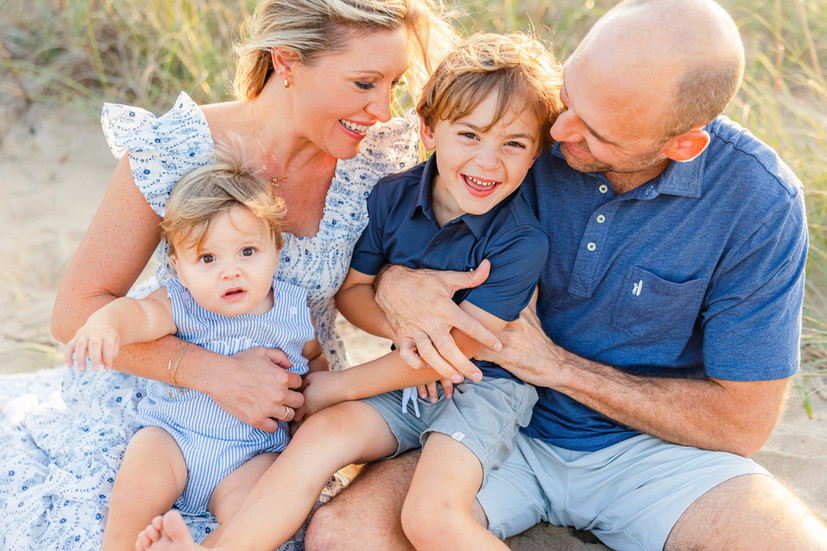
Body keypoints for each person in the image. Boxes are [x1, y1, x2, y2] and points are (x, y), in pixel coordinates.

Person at [304, 1, 827, 550]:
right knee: (345, 537)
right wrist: (394, 280)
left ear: (682, 144)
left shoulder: (758, 200)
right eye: (571, 95)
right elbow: (419, 214)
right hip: (484, 421)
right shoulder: (523, 128)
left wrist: (556, 367)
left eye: (595, 131)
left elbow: (740, 425)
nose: (560, 128)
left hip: (655, 455)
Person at [0, 0, 458, 547]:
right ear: (286, 62)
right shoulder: (176, 150)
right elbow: (74, 313)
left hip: (275, 424)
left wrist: (399, 283)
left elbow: (390, 272)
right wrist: (212, 372)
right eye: (363, 83)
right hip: (161, 410)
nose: (383, 109)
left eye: (393, 84)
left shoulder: (378, 164)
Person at [131, 30, 561, 551]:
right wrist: (404, 331)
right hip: (403, 376)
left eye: (514, 144)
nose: (488, 162)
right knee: (318, 437)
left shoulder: (522, 240)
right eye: (469, 135)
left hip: (485, 389)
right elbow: (354, 293)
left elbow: (462, 348)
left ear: (536, 152)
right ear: (427, 129)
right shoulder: (393, 196)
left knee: (432, 516)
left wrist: (337, 385)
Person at [65, 144, 327, 549]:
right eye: (207, 259)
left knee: (261, 510)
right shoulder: (181, 302)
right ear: (179, 265)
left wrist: (311, 409)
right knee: (140, 472)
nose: (230, 271)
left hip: (250, 454)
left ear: (276, 249)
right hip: (174, 439)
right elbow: (137, 315)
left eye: (247, 251)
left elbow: (313, 359)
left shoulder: (292, 308)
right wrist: (105, 323)